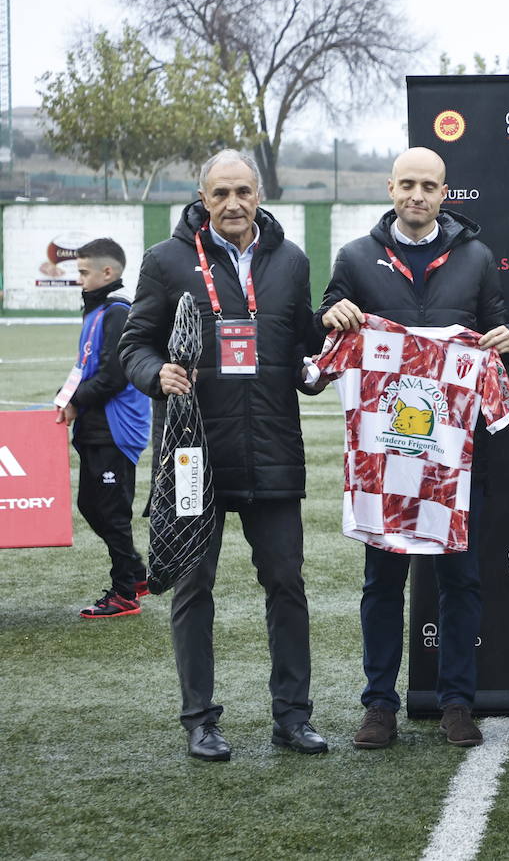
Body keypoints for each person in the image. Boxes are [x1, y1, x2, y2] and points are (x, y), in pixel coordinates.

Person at [120, 149, 326, 761]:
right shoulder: (165, 261)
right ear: (202, 199)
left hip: (272, 453)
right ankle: (200, 721)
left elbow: (300, 353)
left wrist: (316, 371)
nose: (232, 204)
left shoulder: (290, 262)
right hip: (191, 457)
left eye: (243, 191)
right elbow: (134, 346)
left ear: (259, 194)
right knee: (192, 588)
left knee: (287, 584)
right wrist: (159, 374)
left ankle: (292, 717)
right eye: (220, 195)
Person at [317, 147, 509, 750]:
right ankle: (378, 703)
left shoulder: (476, 256)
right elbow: (320, 327)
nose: (416, 194)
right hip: (385, 456)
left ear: (444, 192)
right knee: (383, 581)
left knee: (461, 579)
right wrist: (333, 313)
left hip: (455, 455)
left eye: (428, 186)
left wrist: (504, 337)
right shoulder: (356, 256)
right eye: (407, 184)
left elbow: (496, 324)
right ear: (390, 187)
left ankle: (458, 702)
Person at [56, 238, 152, 618]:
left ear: (107, 273)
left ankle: (125, 592)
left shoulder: (117, 312)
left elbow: (115, 374)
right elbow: (86, 367)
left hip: (116, 428)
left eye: (83, 272)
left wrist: (77, 401)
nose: (78, 279)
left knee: (111, 512)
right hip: (96, 428)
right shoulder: (96, 312)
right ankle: (136, 572)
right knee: (90, 505)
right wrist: (66, 396)